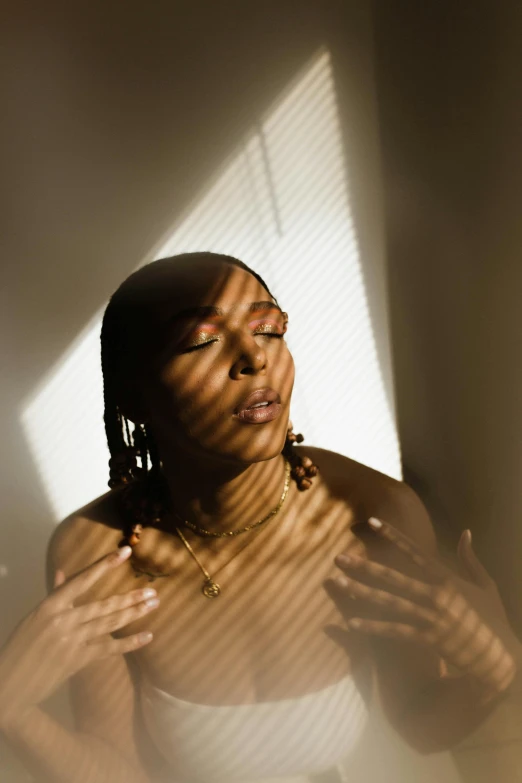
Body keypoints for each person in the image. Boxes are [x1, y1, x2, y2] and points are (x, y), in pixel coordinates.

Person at [0, 251, 520, 783]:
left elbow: (419, 724)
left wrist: (500, 669)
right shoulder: (98, 557)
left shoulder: (370, 518)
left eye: (269, 329)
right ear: (137, 397)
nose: (254, 355)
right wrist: (10, 714)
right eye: (202, 341)